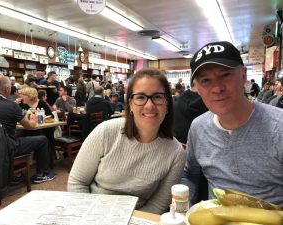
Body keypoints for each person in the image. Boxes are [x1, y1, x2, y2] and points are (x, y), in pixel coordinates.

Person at [68, 69, 185, 214]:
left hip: (138, 218)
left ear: (167, 105)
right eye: (141, 97)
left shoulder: (176, 153)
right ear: (130, 104)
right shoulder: (105, 132)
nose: (149, 105)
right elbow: (77, 183)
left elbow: (157, 205)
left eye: (158, 97)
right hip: (92, 214)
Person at [181, 41, 283, 207]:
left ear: (243, 75)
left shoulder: (279, 127)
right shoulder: (198, 128)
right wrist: (184, 209)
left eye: (225, 75)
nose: (217, 88)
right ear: (196, 88)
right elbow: (190, 175)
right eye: (206, 80)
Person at [0, 74, 56, 184]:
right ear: (7, 89)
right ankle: (43, 174)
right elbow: (30, 126)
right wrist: (33, 119)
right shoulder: (11, 106)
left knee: (20, 134)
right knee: (42, 140)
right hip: (6, 148)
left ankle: (14, 173)